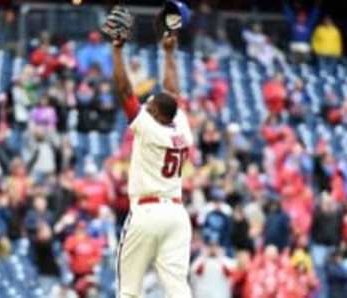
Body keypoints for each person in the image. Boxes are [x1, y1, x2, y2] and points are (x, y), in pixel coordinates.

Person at [107, 7, 194, 298]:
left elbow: (123, 91)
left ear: (155, 113)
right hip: (177, 215)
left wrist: (118, 51)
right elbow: (173, 93)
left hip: (147, 211)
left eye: (151, 103)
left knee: (129, 290)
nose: (147, 104)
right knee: (178, 288)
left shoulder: (150, 127)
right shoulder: (181, 128)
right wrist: (169, 55)